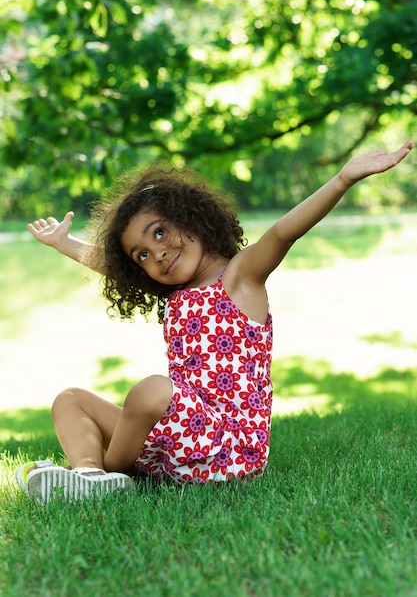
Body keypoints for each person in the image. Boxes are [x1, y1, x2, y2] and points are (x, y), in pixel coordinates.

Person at [16, 142, 413, 503]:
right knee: (69, 399)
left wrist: (343, 179)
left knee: (151, 390)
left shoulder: (241, 276)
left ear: (192, 218)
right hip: (180, 442)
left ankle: (115, 472)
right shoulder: (175, 293)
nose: (157, 254)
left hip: (230, 450)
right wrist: (63, 243)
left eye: (160, 233)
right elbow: (112, 267)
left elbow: (282, 232)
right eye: (141, 255)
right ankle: (87, 474)